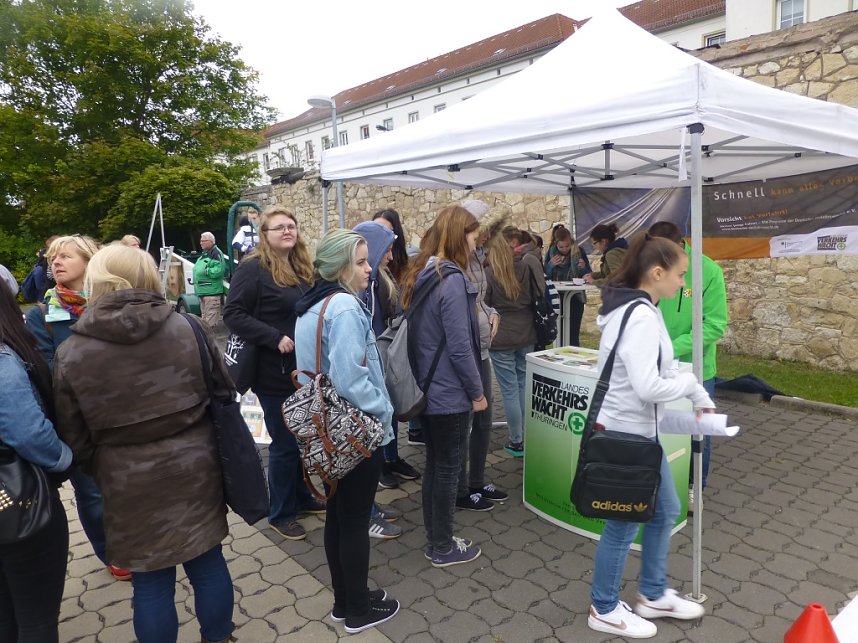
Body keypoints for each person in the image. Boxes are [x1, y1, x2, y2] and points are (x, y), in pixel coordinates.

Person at [53, 245, 236, 643]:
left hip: (125, 479)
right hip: (195, 467)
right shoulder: (190, 327)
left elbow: (73, 434)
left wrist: (101, 468)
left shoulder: (71, 352)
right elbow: (224, 391)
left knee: (151, 583)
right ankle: (219, 637)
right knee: (208, 563)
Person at [586, 234, 714, 639]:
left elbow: (666, 365)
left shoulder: (644, 308)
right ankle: (603, 607)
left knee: (664, 509)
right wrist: (691, 383)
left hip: (640, 433)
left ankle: (653, 593)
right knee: (623, 524)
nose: (682, 284)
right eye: (679, 275)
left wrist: (697, 392)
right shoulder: (640, 316)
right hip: (628, 434)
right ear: (657, 273)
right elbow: (648, 386)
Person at [294, 229, 401, 634]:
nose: (369, 268)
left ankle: (345, 599)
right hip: (355, 430)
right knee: (354, 520)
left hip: (326, 431)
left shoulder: (314, 303)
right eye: (360, 261)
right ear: (339, 267)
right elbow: (350, 380)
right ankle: (358, 610)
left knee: (339, 517)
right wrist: (382, 409)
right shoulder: (344, 308)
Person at [24, 234, 130, 581]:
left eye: (66, 256)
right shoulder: (44, 313)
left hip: (123, 413)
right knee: (91, 492)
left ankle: (138, 539)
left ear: (89, 261)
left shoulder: (111, 302)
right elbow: (46, 369)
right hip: (78, 420)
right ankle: (110, 552)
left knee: (126, 483)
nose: (56, 263)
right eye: (54, 258)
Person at [223, 205, 323, 541]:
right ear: (264, 235)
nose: (287, 231)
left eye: (291, 225)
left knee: (299, 439)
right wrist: (273, 337)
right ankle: (281, 513)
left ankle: (302, 497)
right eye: (278, 227)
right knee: (283, 443)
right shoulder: (253, 269)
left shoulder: (300, 265)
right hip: (272, 372)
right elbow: (233, 313)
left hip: (302, 369)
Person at [401, 205, 486, 568]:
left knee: (436, 467)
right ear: (458, 235)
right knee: (448, 469)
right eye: (472, 235)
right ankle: (442, 546)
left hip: (427, 388)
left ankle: (437, 539)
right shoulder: (449, 278)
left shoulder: (423, 271)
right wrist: (478, 392)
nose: (475, 242)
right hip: (448, 392)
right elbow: (460, 344)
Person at [0, 279, 72, 643]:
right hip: (19, 506)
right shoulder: (3, 361)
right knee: (37, 619)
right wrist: (65, 458)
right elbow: (27, 433)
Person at [648, 221, 728, 495]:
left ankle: (694, 486)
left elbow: (714, 324)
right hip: (656, 363)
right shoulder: (651, 266)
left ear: (679, 245)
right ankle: (660, 483)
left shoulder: (708, 271)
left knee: (697, 431)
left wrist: (670, 346)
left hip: (695, 367)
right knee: (657, 424)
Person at [352, 220, 411, 539]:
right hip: (361, 385)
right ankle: (365, 514)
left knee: (370, 450)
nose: (391, 256)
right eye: (386, 250)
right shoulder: (353, 296)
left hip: (373, 373)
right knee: (362, 452)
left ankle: (370, 506)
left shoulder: (374, 283)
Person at [457, 199, 507, 510]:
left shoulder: (475, 257)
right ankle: (461, 489)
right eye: (478, 230)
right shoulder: (449, 263)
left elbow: (479, 300)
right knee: (466, 424)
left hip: (482, 349)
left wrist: (492, 312)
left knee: (485, 421)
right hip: (466, 353)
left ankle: (476, 481)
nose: (483, 235)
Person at [485, 226, 545, 457]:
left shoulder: (490, 273)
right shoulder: (525, 266)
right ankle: (525, 435)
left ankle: (517, 440)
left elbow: (485, 305)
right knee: (522, 385)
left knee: (509, 389)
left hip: (501, 336)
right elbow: (535, 295)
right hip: (526, 332)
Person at [544, 225, 591, 346]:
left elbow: (588, 275)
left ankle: (573, 357)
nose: (564, 249)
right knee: (559, 331)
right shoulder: (551, 253)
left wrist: (582, 267)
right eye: (561, 247)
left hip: (575, 297)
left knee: (573, 332)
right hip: (557, 297)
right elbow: (545, 276)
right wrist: (550, 265)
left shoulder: (579, 252)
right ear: (556, 244)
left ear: (571, 242)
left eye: (567, 246)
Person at [194, 231, 227, 329]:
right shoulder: (205, 254)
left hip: (211, 293)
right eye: (201, 241)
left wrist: (205, 270)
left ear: (211, 241)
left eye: (203, 241)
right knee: (205, 322)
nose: (201, 243)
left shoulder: (215, 253)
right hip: (204, 292)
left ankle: (208, 343)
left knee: (209, 325)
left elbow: (219, 270)